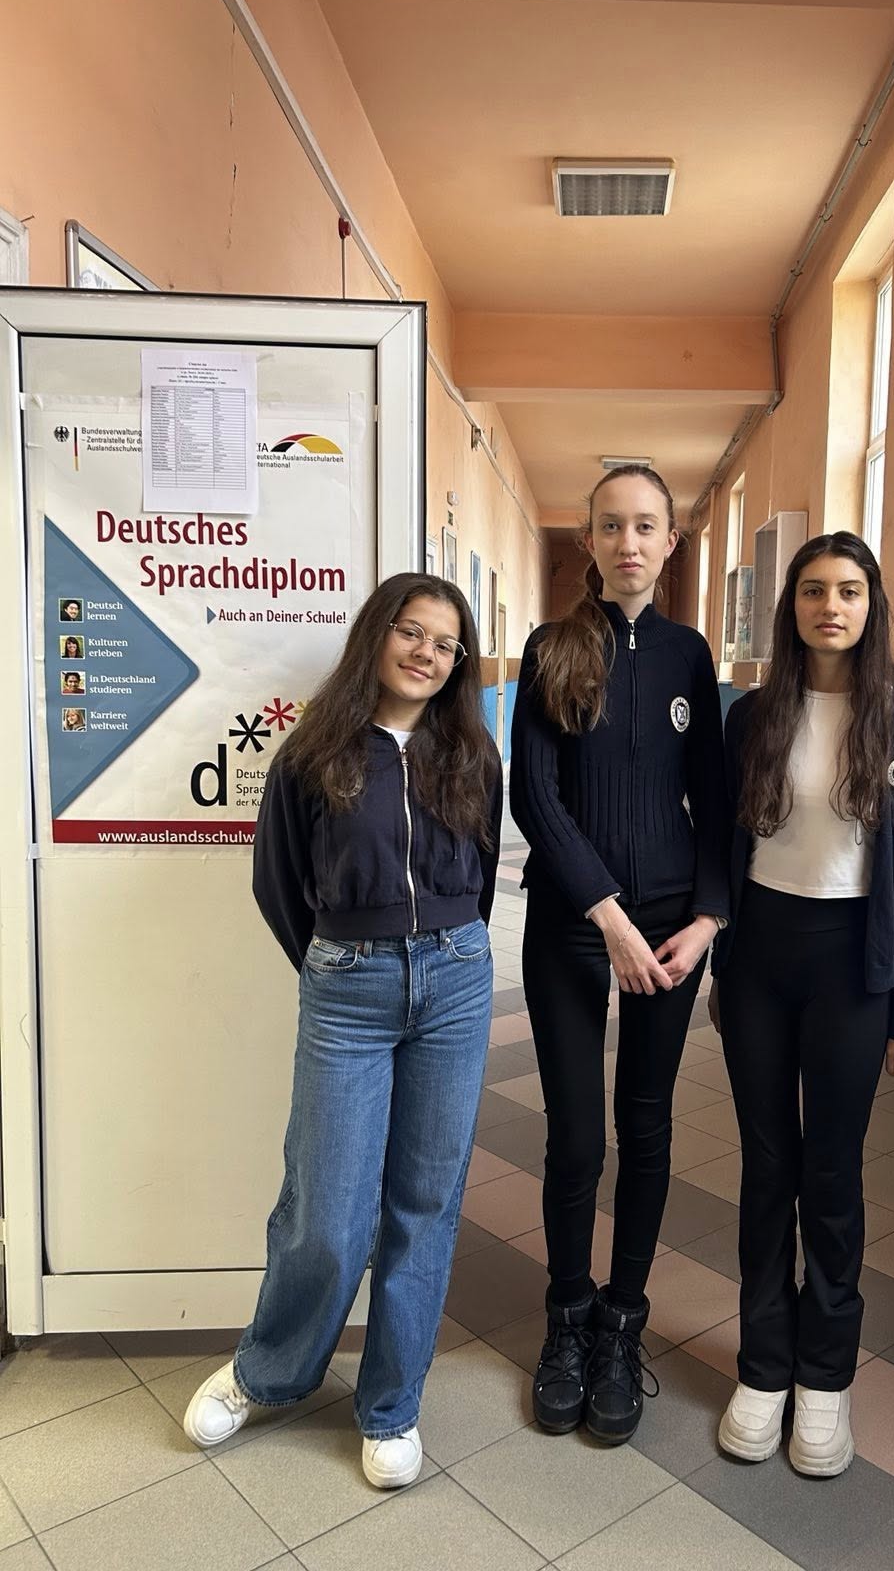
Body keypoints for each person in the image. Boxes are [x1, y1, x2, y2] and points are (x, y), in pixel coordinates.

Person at [184, 573, 502, 1489]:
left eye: (445, 644)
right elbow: (278, 881)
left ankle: (391, 1405)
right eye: (411, 632)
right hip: (347, 990)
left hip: (456, 980)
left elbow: (480, 878)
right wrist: (339, 963)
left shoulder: (472, 754)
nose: (426, 653)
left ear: (459, 663)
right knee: (326, 1209)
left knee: (424, 1203)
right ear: (377, 634)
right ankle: (267, 1372)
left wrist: (444, 949)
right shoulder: (314, 750)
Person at [712, 531, 894, 1478]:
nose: (830, 607)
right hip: (761, 960)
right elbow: (724, 848)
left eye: (849, 591)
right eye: (813, 591)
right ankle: (764, 1368)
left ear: (872, 604)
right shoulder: (751, 717)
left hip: (854, 967)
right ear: (792, 606)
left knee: (832, 1173)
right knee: (769, 1166)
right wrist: (720, 961)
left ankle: (824, 1378)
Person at [510, 465, 729, 1445]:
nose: (629, 542)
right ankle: (566, 1317)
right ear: (588, 540)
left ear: (670, 541)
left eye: (646, 526)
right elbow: (535, 796)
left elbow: (715, 797)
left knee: (645, 1126)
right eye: (611, 526)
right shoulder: (551, 649)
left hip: (673, 925)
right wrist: (606, 911)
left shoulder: (689, 655)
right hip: (574, 920)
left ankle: (621, 1321)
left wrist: (709, 916)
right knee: (576, 1137)